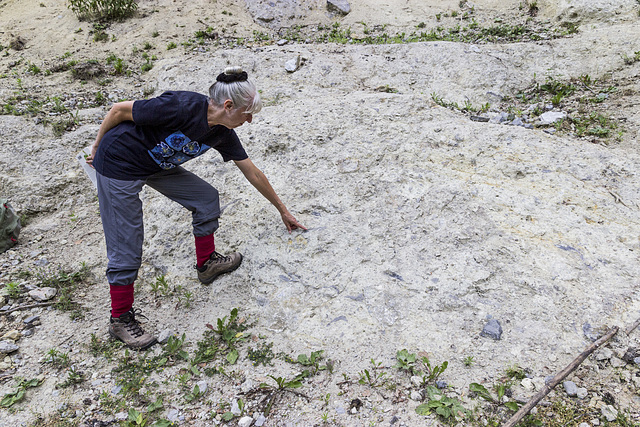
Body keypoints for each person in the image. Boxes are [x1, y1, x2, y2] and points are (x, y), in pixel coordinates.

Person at [86, 66, 306, 350]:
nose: (250, 120)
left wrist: (282, 209)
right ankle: (120, 318)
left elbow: (252, 172)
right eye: (247, 113)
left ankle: (207, 264)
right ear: (228, 106)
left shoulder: (222, 132)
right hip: (118, 163)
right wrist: (96, 147)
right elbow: (118, 111)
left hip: (154, 165)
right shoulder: (180, 107)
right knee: (127, 243)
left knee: (205, 199)